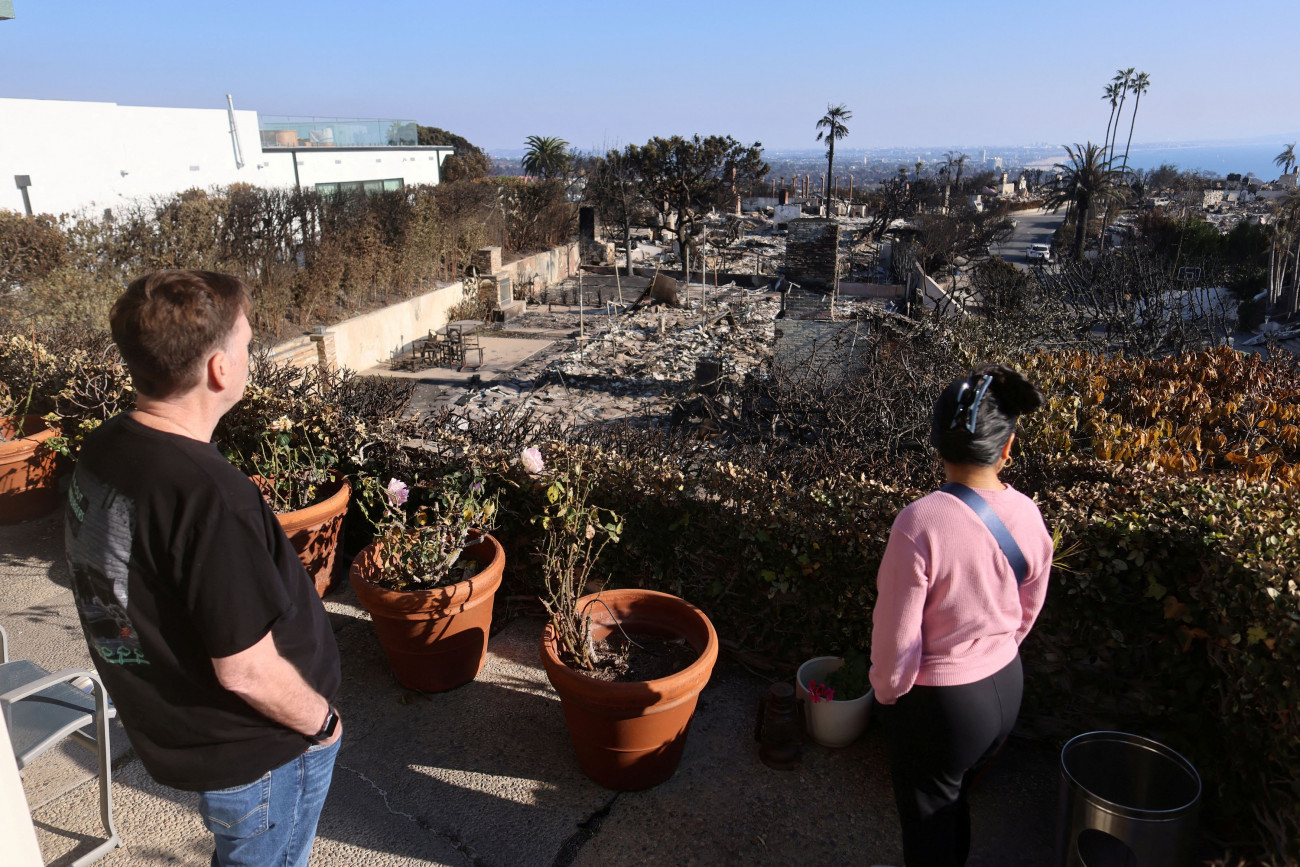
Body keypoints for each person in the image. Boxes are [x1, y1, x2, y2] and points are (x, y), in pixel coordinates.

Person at [64, 270, 342, 867]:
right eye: (245, 341)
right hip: (263, 752)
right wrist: (321, 723)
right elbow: (245, 671)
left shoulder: (106, 446)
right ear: (219, 369)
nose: (249, 352)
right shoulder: (210, 498)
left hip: (192, 737)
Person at [869, 364, 1053, 867]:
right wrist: (1002, 647)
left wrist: (887, 694)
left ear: (937, 443)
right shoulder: (1028, 514)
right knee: (953, 800)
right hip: (1005, 686)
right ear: (1007, 448)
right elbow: (1029, 602)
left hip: (943, 709)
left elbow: (895, 642)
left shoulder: (920, 523)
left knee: (927, 826)